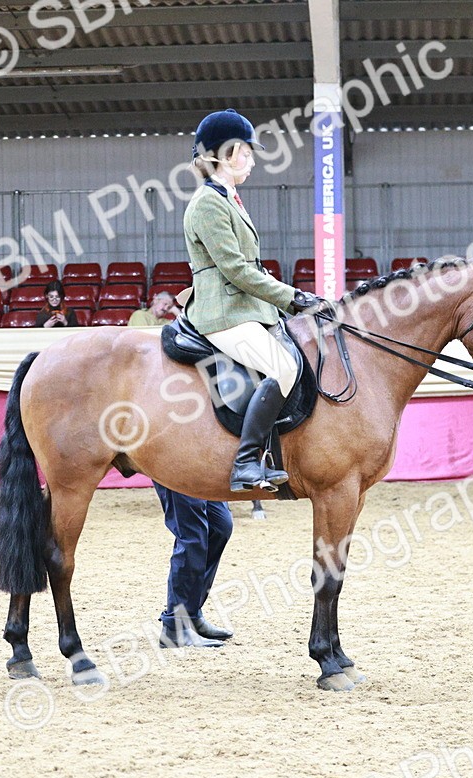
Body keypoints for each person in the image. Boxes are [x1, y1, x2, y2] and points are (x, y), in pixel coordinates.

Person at [182, 108, 322, 492]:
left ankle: (271, 455)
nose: (252, 159)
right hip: (224, 313)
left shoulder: (230, 199)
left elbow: (252, 269)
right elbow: (237, 271)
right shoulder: (208, 203)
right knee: (283, 368)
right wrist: (293, 298)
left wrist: (292, 300)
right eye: (245, 151)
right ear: (225, 154)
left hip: (246, 309)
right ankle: (245, 463)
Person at [153, 482, 235, 648]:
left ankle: (190, 613)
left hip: (202, 467)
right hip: (176, 465)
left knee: (221, 527)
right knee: (191, 536)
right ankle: (175, 626)